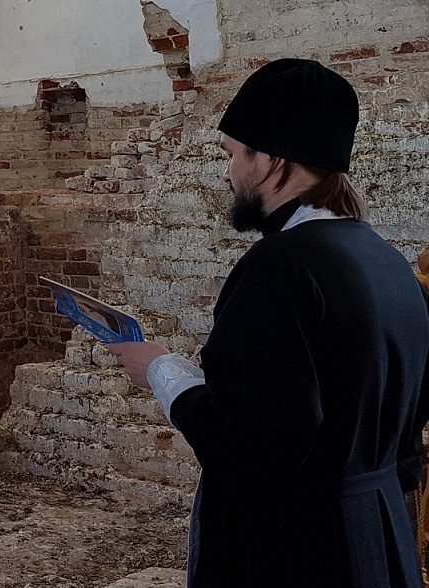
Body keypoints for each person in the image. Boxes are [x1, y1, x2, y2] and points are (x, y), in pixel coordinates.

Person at [108, 58, 429, 587]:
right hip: (379, 535)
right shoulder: (386, 259)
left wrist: (161, 370)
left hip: (299, 549)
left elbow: (252, 444)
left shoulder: (280, 265)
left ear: (274, 159)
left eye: (233, 154)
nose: (227, 173)